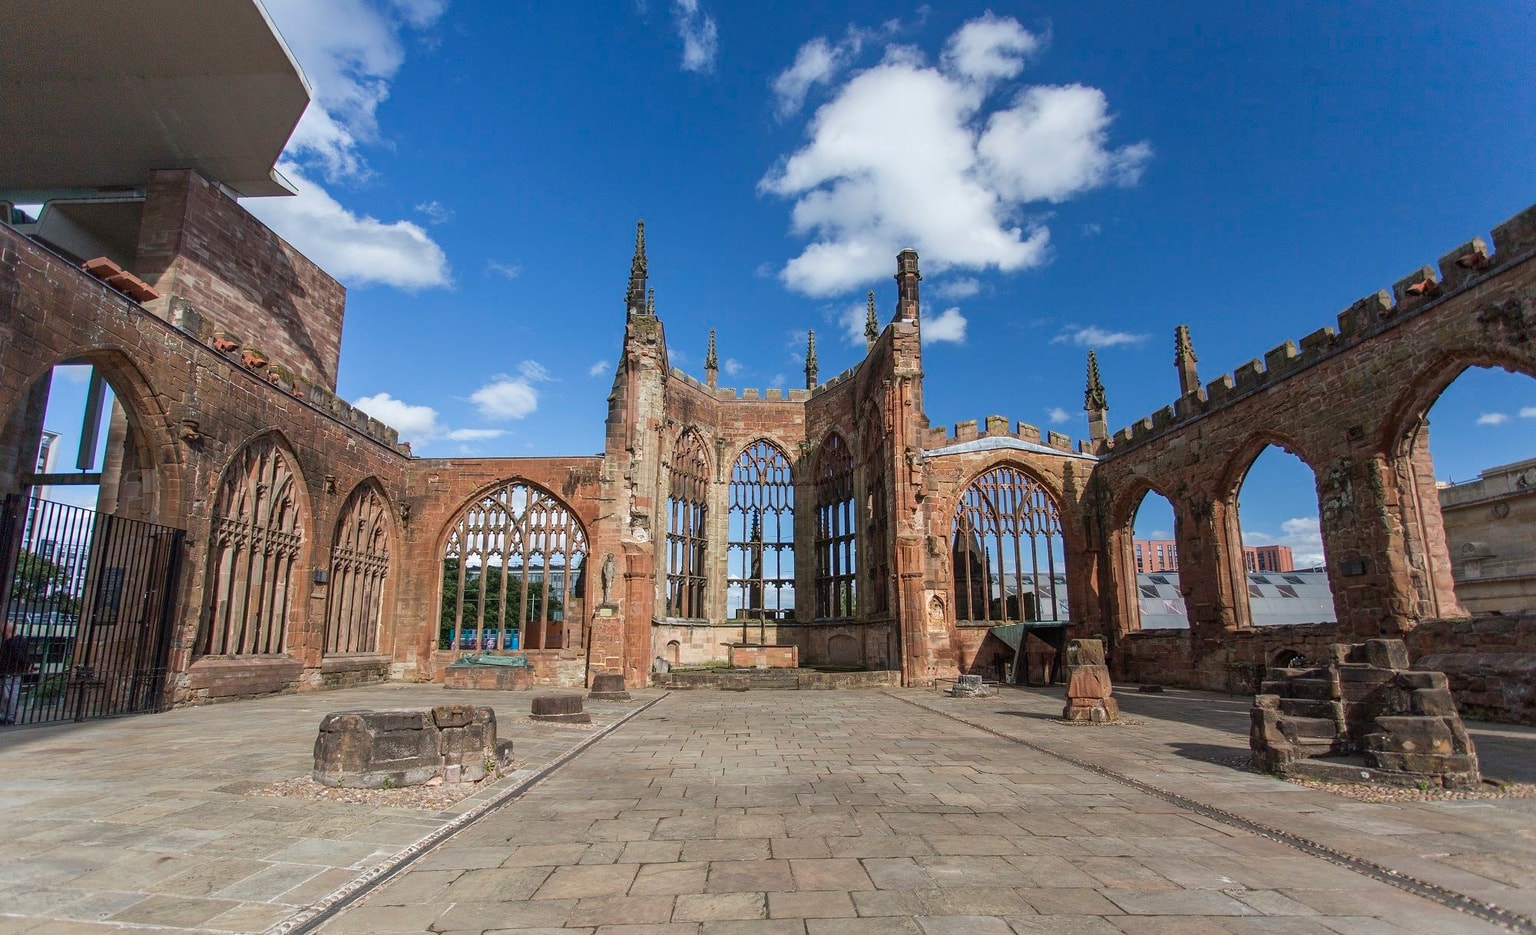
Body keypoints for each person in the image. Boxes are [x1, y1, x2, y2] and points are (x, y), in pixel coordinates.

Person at [0, 618, 31, 725]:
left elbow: (20, 656)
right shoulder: (22, 640)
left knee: (7, 695)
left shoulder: (10, 642)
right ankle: (9, 715)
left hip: (10, 671)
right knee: (11, 694)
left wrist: (26, 665)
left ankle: (8, 716)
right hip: (15, 671)